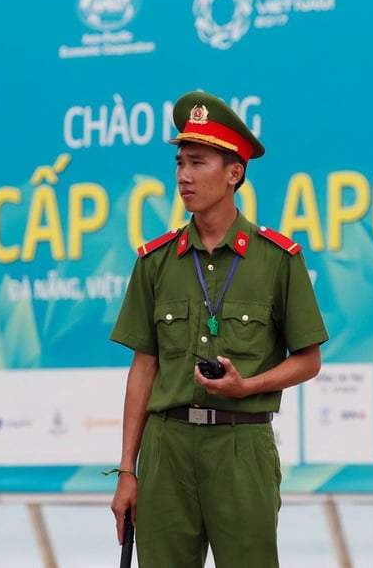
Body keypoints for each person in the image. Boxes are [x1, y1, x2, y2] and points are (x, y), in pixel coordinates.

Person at [107, 90, 329, 567]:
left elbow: (309, 360)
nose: (184, 176)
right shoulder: (155, 261)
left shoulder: (277, 259)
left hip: (240, 445)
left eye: (199, 162)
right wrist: (128, 469)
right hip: (166, 448)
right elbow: (143, 366)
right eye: (180, 162)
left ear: (234, 173)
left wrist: (248, 385)